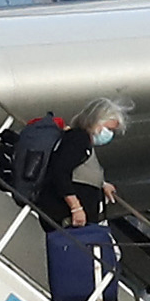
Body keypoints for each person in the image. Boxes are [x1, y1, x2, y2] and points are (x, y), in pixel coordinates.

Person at [41, 97, 127, 229]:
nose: (109, 134)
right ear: (95, 122)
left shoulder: (81, 142)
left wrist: (101, 184)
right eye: (108, 129)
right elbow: (60, 171)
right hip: (67, 219)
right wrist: (75, 207)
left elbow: (77, 169)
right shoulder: (78, 140)